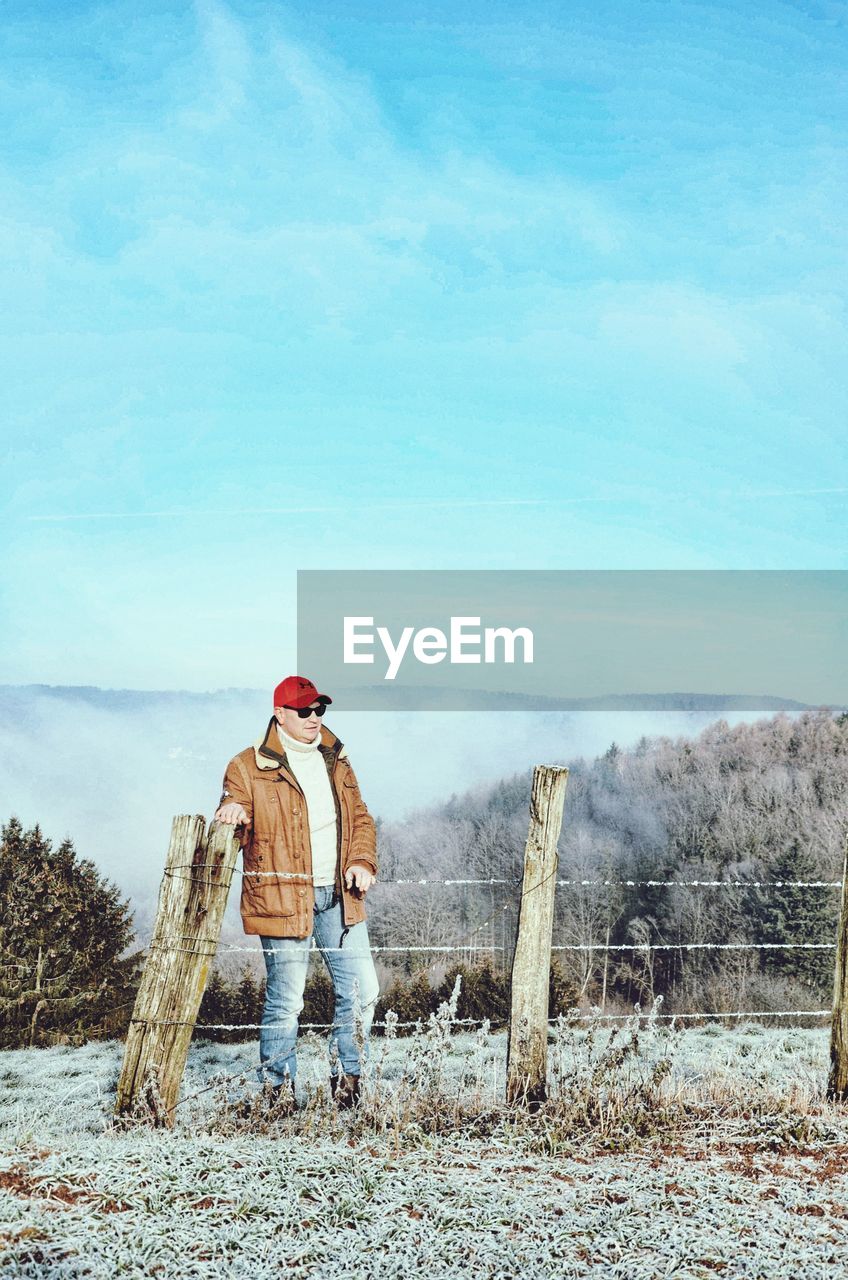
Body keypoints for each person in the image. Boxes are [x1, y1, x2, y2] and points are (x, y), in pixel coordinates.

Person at [213, 675, 380, 1111]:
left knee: (363, 990)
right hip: (284, 898)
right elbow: (236, 807)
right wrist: (231, 809)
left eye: (319, 710)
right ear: (280, 714)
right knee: (287, 1000)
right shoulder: (247, 765)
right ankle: (278, 1093)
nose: (313, 718)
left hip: (339, 895)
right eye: (304, 711)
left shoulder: (336, 758)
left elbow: (360, 817)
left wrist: (362, 861)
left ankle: (348, 1085)